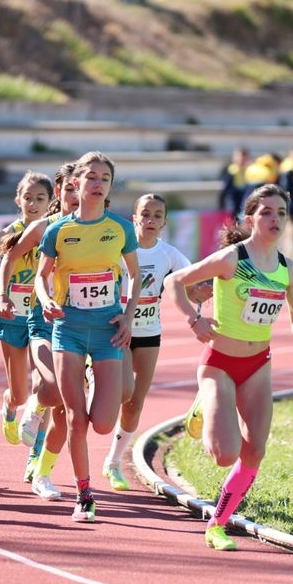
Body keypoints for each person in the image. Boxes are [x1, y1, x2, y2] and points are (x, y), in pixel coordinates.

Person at [166, 184, 293, 550]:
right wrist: (194, 319)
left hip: (258, 364)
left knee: (255, 452)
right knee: (225, 455)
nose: (274, 219)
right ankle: (205, 402)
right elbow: (175, 281)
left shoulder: (287, 269)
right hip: (219, 363)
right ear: (250, 219)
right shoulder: (232, 259)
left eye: (281, 213)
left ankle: (217, 523)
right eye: (266, 212)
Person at [35, 150, 140, 522]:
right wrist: (46, 299)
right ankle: (84, 494)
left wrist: (128, 316)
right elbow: (41, 275)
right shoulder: (58, 231)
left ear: (110, 186)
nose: (97, 184)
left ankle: (96, 380)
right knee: (76, 418)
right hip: (70, 330)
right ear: (76, 183)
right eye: (91, 177)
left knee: (103, 423)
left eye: (104, 179)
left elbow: (135, 275)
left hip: (108, 330)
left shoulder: (121, 229)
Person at [0, 162, 82, 498]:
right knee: (44, 386)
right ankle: (29, 409)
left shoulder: (104, 230)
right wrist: (1, 293)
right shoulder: (45, 227)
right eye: (69, 189)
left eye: (83, 188)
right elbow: (8, 258)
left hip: (82, 323)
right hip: (41, 317)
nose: (76, 196)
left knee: (67, 405)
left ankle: (39, 468)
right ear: (59, 194)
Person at [101, 193, 194, 491]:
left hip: (150, 332)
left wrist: (201, 297)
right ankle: (94, 374)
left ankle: (113, 463)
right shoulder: (120, 251)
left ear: (164, 222)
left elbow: (191, 278)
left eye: (157, 215)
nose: (151, 219)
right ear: (135, 218)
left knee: (135, 402)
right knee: (123, 390)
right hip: (118, 329)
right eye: (146, 214)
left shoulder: (168, 254)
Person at [0, 171, 53, 449]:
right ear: (18, 200)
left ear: (50, 202)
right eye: (28, 198)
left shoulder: (53, 232)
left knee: (44, 387)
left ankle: (37, 453)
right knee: (20, 394)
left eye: (39, 198)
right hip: (11, 316)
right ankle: (9, 405)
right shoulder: (8, 233)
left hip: (42, 316)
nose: (32, 204)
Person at [218, 147, 251, 218]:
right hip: (235, 200)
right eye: (239, 157)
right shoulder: (232, 170)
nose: (242, 160)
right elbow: (224, 189)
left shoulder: (249, 170)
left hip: (245, 199)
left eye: (244, 158)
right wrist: (221, 204)